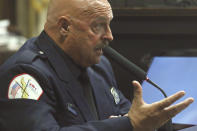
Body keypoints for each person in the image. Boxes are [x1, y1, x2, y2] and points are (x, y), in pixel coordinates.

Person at [0, 0, 194, 131]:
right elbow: (127, 123)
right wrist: (128, 124)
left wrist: (153, 120)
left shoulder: (99, 66)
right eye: (98, 25)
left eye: (109, 24)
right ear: (65, 27)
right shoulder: (25, 75)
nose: (109, 36)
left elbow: (127, 116)